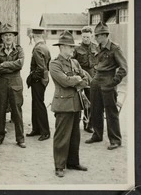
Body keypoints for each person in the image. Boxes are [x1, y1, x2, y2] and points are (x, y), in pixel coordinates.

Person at [49, 30, 88, 177]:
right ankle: (59, 166)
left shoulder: (75, 62)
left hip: (76, 104)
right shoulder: (54, 64)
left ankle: (73, 162)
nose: (73, 49)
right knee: (62, 136)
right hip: (63, 105)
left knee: (74, 136)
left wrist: (77, 80)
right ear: (62, 47)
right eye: (71, 47)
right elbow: (64, 81)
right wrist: (77, 80)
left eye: (73, 47)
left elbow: (86, 79)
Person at [85, 22, 127, 150]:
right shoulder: (98, 47)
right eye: (95, 36)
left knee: (111, 112)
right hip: (96, 80)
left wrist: (113, 82)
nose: (95, 38)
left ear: (104, 35)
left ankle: (115, 140)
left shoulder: (115, 48)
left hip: (108, 81)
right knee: (95, 110)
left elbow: (124, 68)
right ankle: (97, 135)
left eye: (97, 36)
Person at [0, 23, 26, 148]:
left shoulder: (19, 50)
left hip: (15, 83)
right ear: (2, 37)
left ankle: (20, 138)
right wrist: (11, 65)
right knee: (0, 110)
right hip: (1, 83)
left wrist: (4, 65)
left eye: (10, 35)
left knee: (17, 110)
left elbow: (20, 64)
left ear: (14, 37)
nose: (8, 37)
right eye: (5, 35)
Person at [26, 28, 51, 141]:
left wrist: (32, 77)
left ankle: (45, 131)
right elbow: (48, 65)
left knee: (39, 104)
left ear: (33, 36)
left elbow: (40, 68)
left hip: (38, 80)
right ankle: (36, 128)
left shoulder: (37, 49)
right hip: (44, 79)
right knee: (36, 103)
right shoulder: (45, 47)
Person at [73, 26, 97, 133]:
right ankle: (74, 124)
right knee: (77, 100)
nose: (85, 39)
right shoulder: (76, 49)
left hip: (92, 78)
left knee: (90, 101)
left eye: (87, 37)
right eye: (83, 37)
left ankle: (88, 125)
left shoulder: (96, 47)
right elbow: (72, 63)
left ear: (91, 36)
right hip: (79, 77)